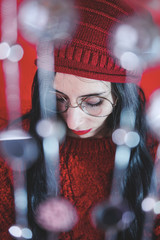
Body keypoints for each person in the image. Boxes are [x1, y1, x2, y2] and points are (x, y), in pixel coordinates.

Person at [0, 0, 160, 239]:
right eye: (57, 99)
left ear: (121, 97)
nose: (73, 121)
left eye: (93, 103)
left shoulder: (154, 155)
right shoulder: (15, 148)